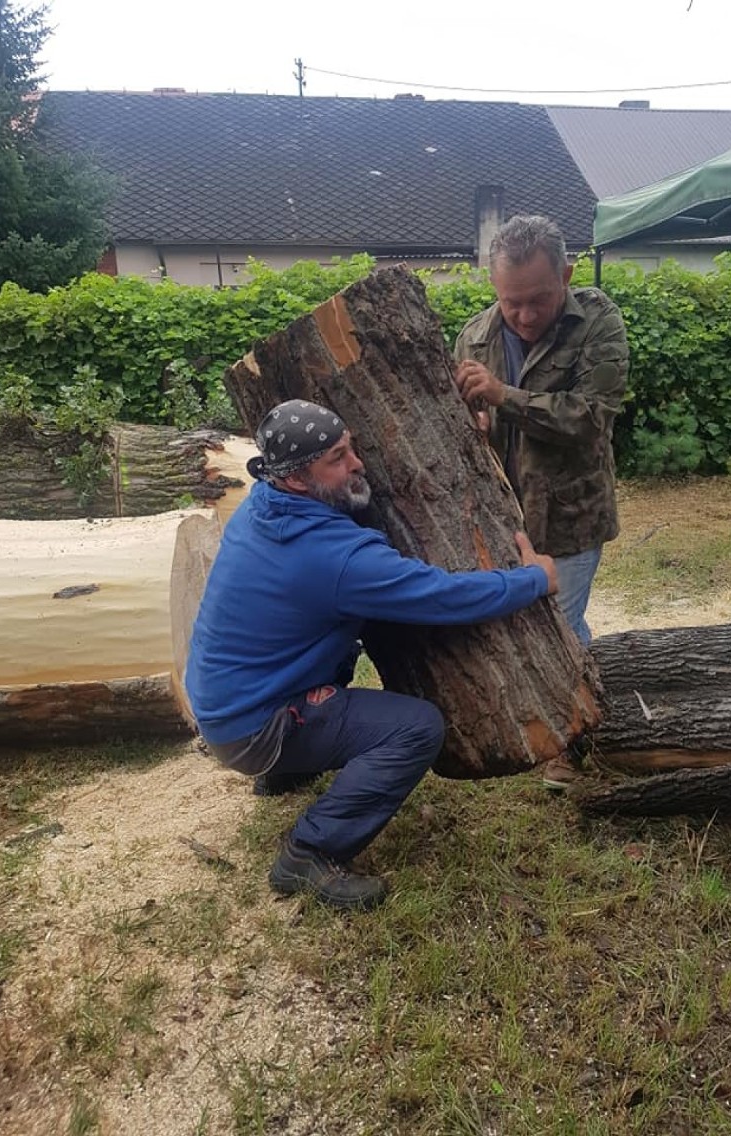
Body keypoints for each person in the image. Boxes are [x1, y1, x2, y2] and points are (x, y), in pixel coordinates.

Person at [185, 398, 558, 912]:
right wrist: (535, 578)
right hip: (254, 727)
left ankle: (284, 771)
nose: (358, 463)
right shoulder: (333, 558)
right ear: (296, 479)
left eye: (352, 447)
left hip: (225, 705)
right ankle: (309, 853)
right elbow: (443, 596)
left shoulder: (262, 505)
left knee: (332, 645)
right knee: (416, 727)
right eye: (337, 458)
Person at [453, 214, 629, 647]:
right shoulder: (473, 336)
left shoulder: (596, 321)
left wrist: (502, 398)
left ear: (565, 275)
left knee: (559, 637)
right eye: (511, 302)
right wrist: (477, 426)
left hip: (568, 522)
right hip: (498, 521)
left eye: (539, 299)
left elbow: (590, 418)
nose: (525, 316)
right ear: (493, 284)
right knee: (510, 637)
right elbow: (466, 423)